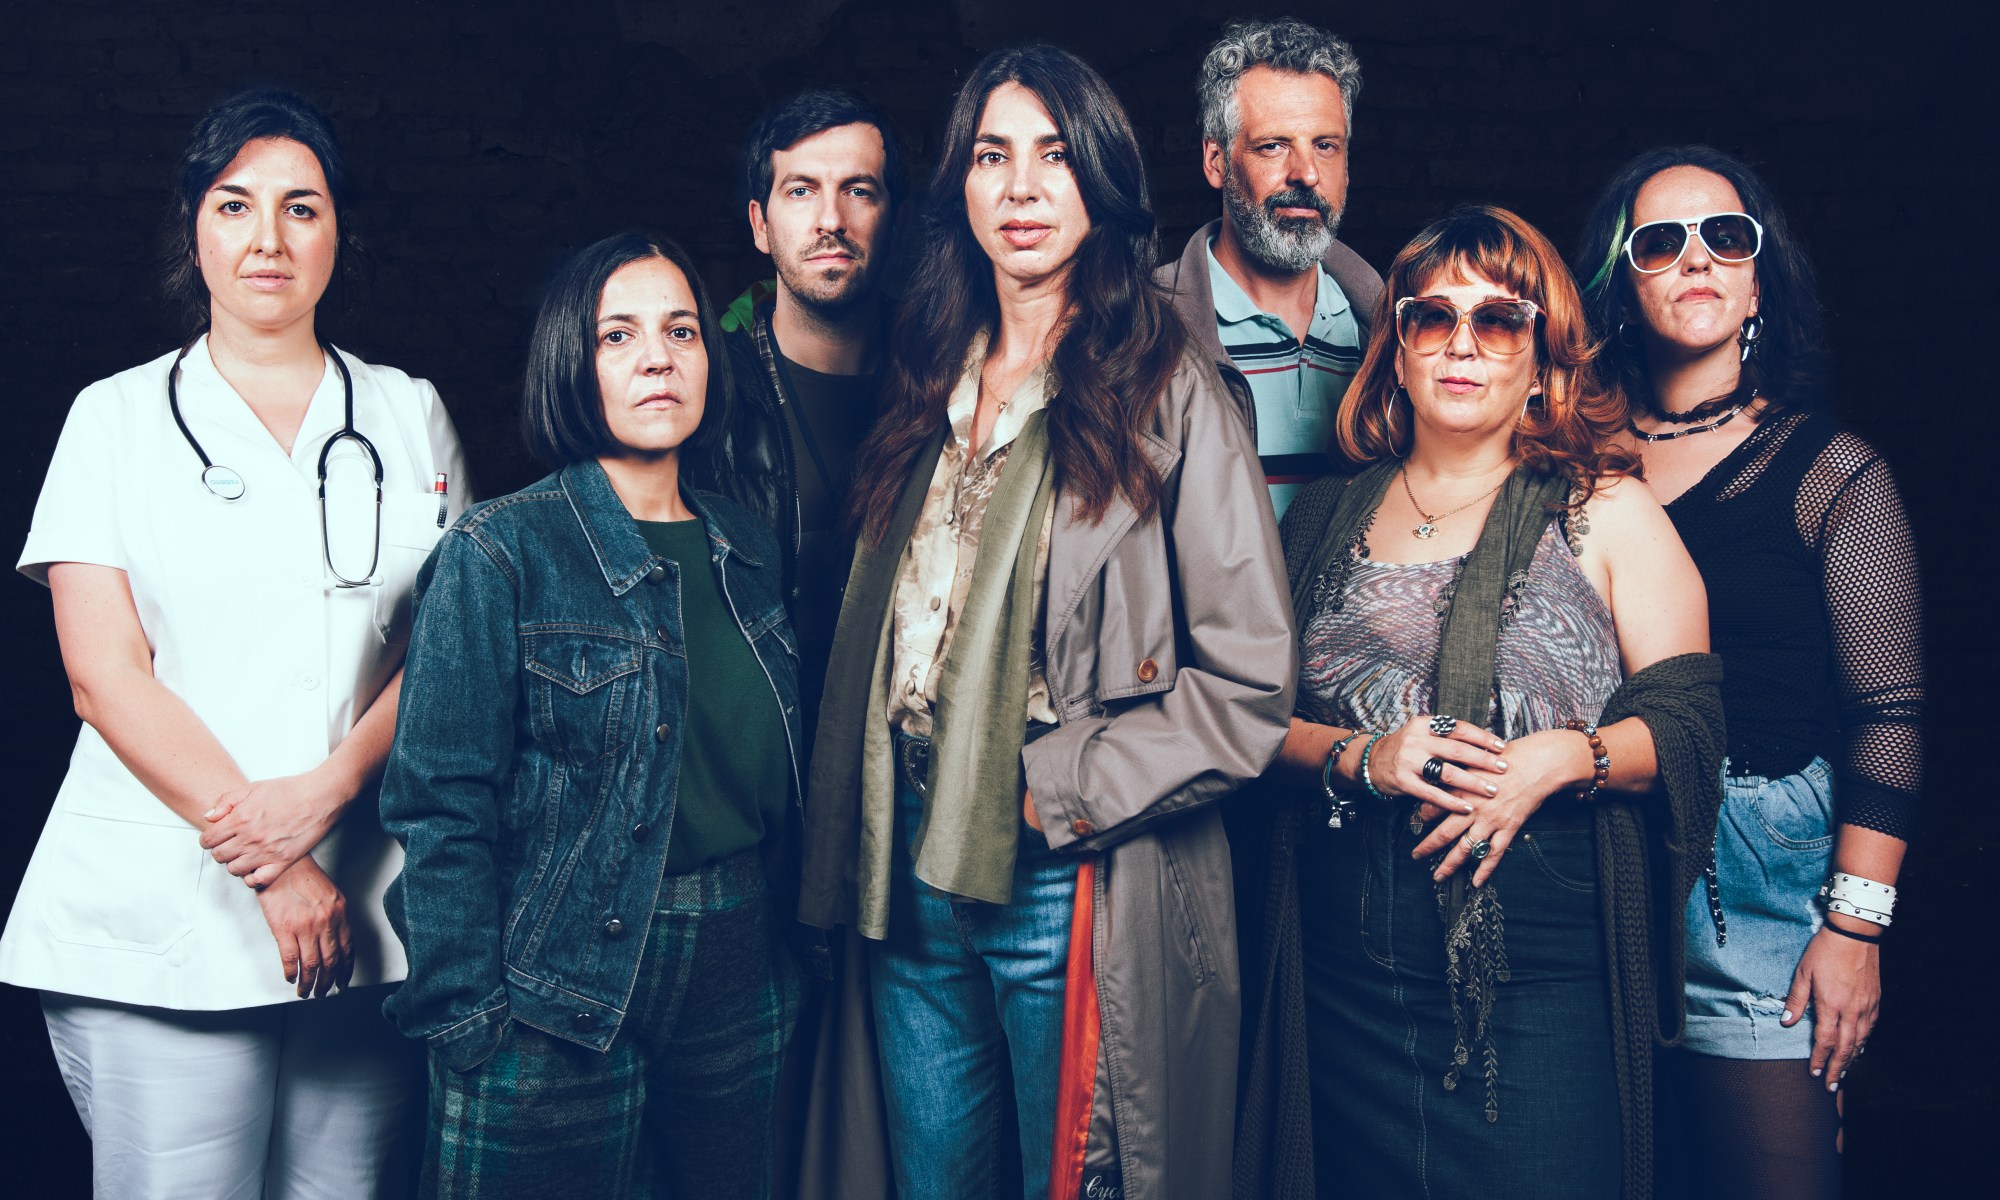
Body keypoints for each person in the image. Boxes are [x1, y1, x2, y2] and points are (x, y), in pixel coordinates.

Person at [797, 44, 1295, 1200]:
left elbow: (1249, 684)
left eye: (1054, 157)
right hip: (905, 859)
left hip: (1058, 865)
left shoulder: (1168, 385)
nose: (1020, 189)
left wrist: (1053, 791)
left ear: (1099, 181)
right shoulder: (925, 370)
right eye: (991, 156)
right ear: (959, 186)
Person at [0, 88, 465, 1196]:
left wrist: (327, 795)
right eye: (234, 204)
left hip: (367, 911)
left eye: (302, 208)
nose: (269, 239)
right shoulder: (113, 419)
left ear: (339, 233)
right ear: (193, 228)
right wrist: (276, 862)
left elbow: (450, 652)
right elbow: (103, 676)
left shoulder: (409, 414)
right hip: (163, 919)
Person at [1236, 205, 1726, 1200]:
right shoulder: (1323, 512)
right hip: (1342, 977)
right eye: (1433, 317)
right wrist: (1363, 757)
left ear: (1541, 362)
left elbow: (1689, 721)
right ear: (1397, 350)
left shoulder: (1606, 508)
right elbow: (1240, 723)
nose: (1462, 345)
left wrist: (1568, 758)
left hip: (1535, 978)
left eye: (1499, 321)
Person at [378, 232, 804, 1197]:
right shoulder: (500, 551)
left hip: (740, 964)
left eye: (681, 331)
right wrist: (467, 1018)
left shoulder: (746, 543)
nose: (658, 358)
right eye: (620, 335)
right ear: (572, 362)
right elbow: (438, 803)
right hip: (552, 978)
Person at [1577, 147, 1924, 1200]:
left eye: (1725, 237)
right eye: (1659, 242)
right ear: (1621, 289)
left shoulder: (1832, 474)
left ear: (1758, 282)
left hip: (1755, 876)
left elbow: (1888, 714)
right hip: (1591, 849)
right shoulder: (1567, 463)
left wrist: (1853, 929)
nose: (1696, 259)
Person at [685, 88, 904, 723]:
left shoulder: (951, 384)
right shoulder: (704, 398)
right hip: (753, 759)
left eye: (858, 190)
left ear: (893, 217)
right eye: (801, 190)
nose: (830, 218)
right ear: (760, 224)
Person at [1155, 17, 1383, 520]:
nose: (1306, 173)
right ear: (1216, 161)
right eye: (1273, 145)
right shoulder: (1141, 329)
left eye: (1325, 145)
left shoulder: (1393, 335)